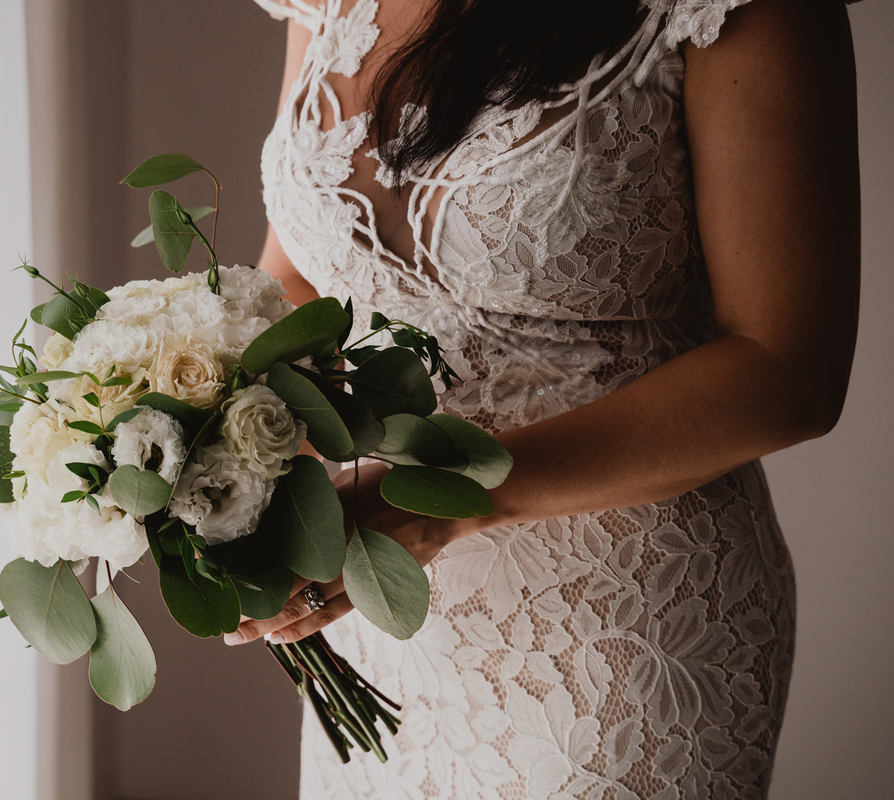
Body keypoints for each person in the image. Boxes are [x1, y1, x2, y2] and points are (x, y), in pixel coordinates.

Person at [224, 0, 860, 797]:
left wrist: (439, 502)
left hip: (619, 629)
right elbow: (303, 278)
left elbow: (787, 371)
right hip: (382, 612)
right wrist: (221, 456)